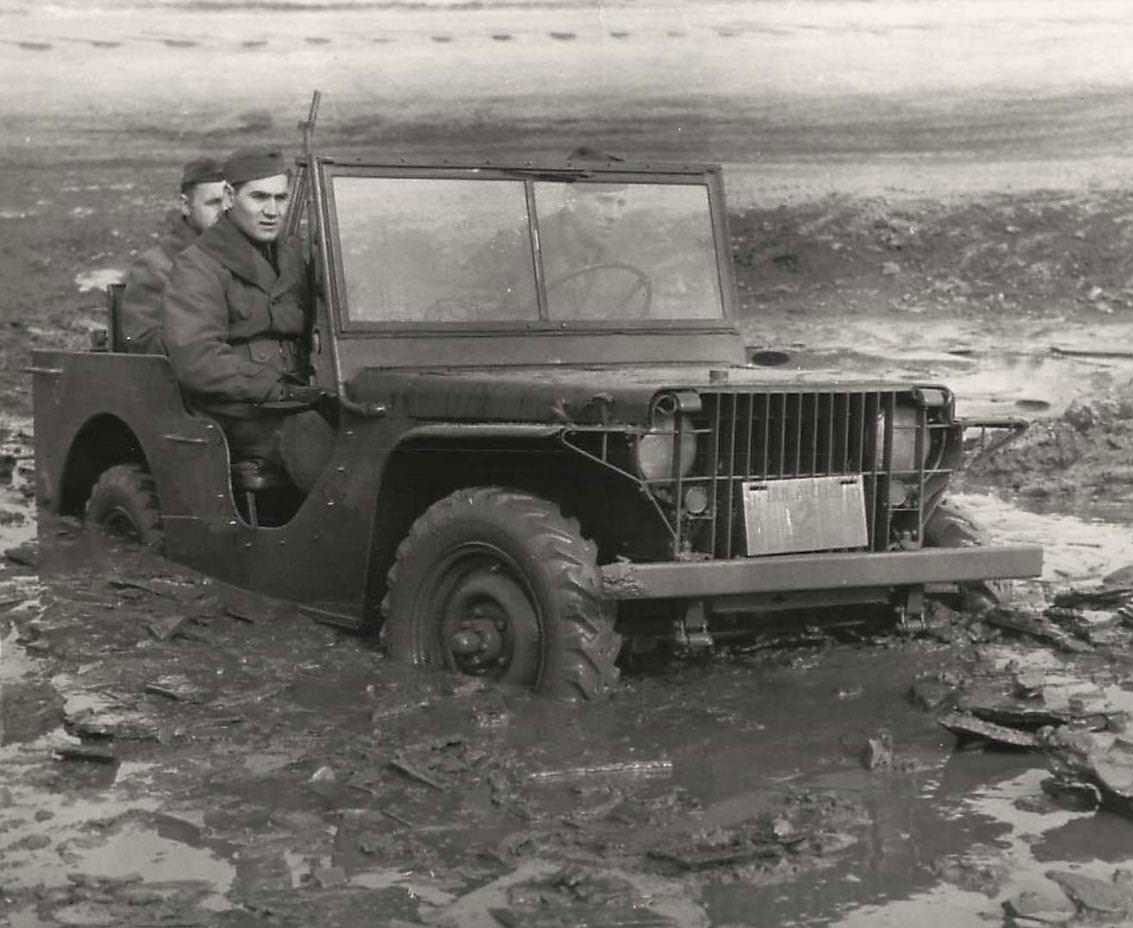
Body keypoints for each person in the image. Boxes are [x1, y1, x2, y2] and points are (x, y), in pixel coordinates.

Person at [163, 147, 319, 475]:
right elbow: (199, 361)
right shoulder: (199, 265)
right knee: (330, 449)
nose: (272, 211)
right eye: (259, 197)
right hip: (240, 414)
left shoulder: (291, 255)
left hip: (297, 401)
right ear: (230, 197)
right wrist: (276, 389)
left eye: (280, 198)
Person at [119, 157, 227, 354]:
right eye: (213, 203)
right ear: (186, 206)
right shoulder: (156, 267)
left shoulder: (248, 256)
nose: (224, 212)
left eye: (230, 203)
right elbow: (143, 343)